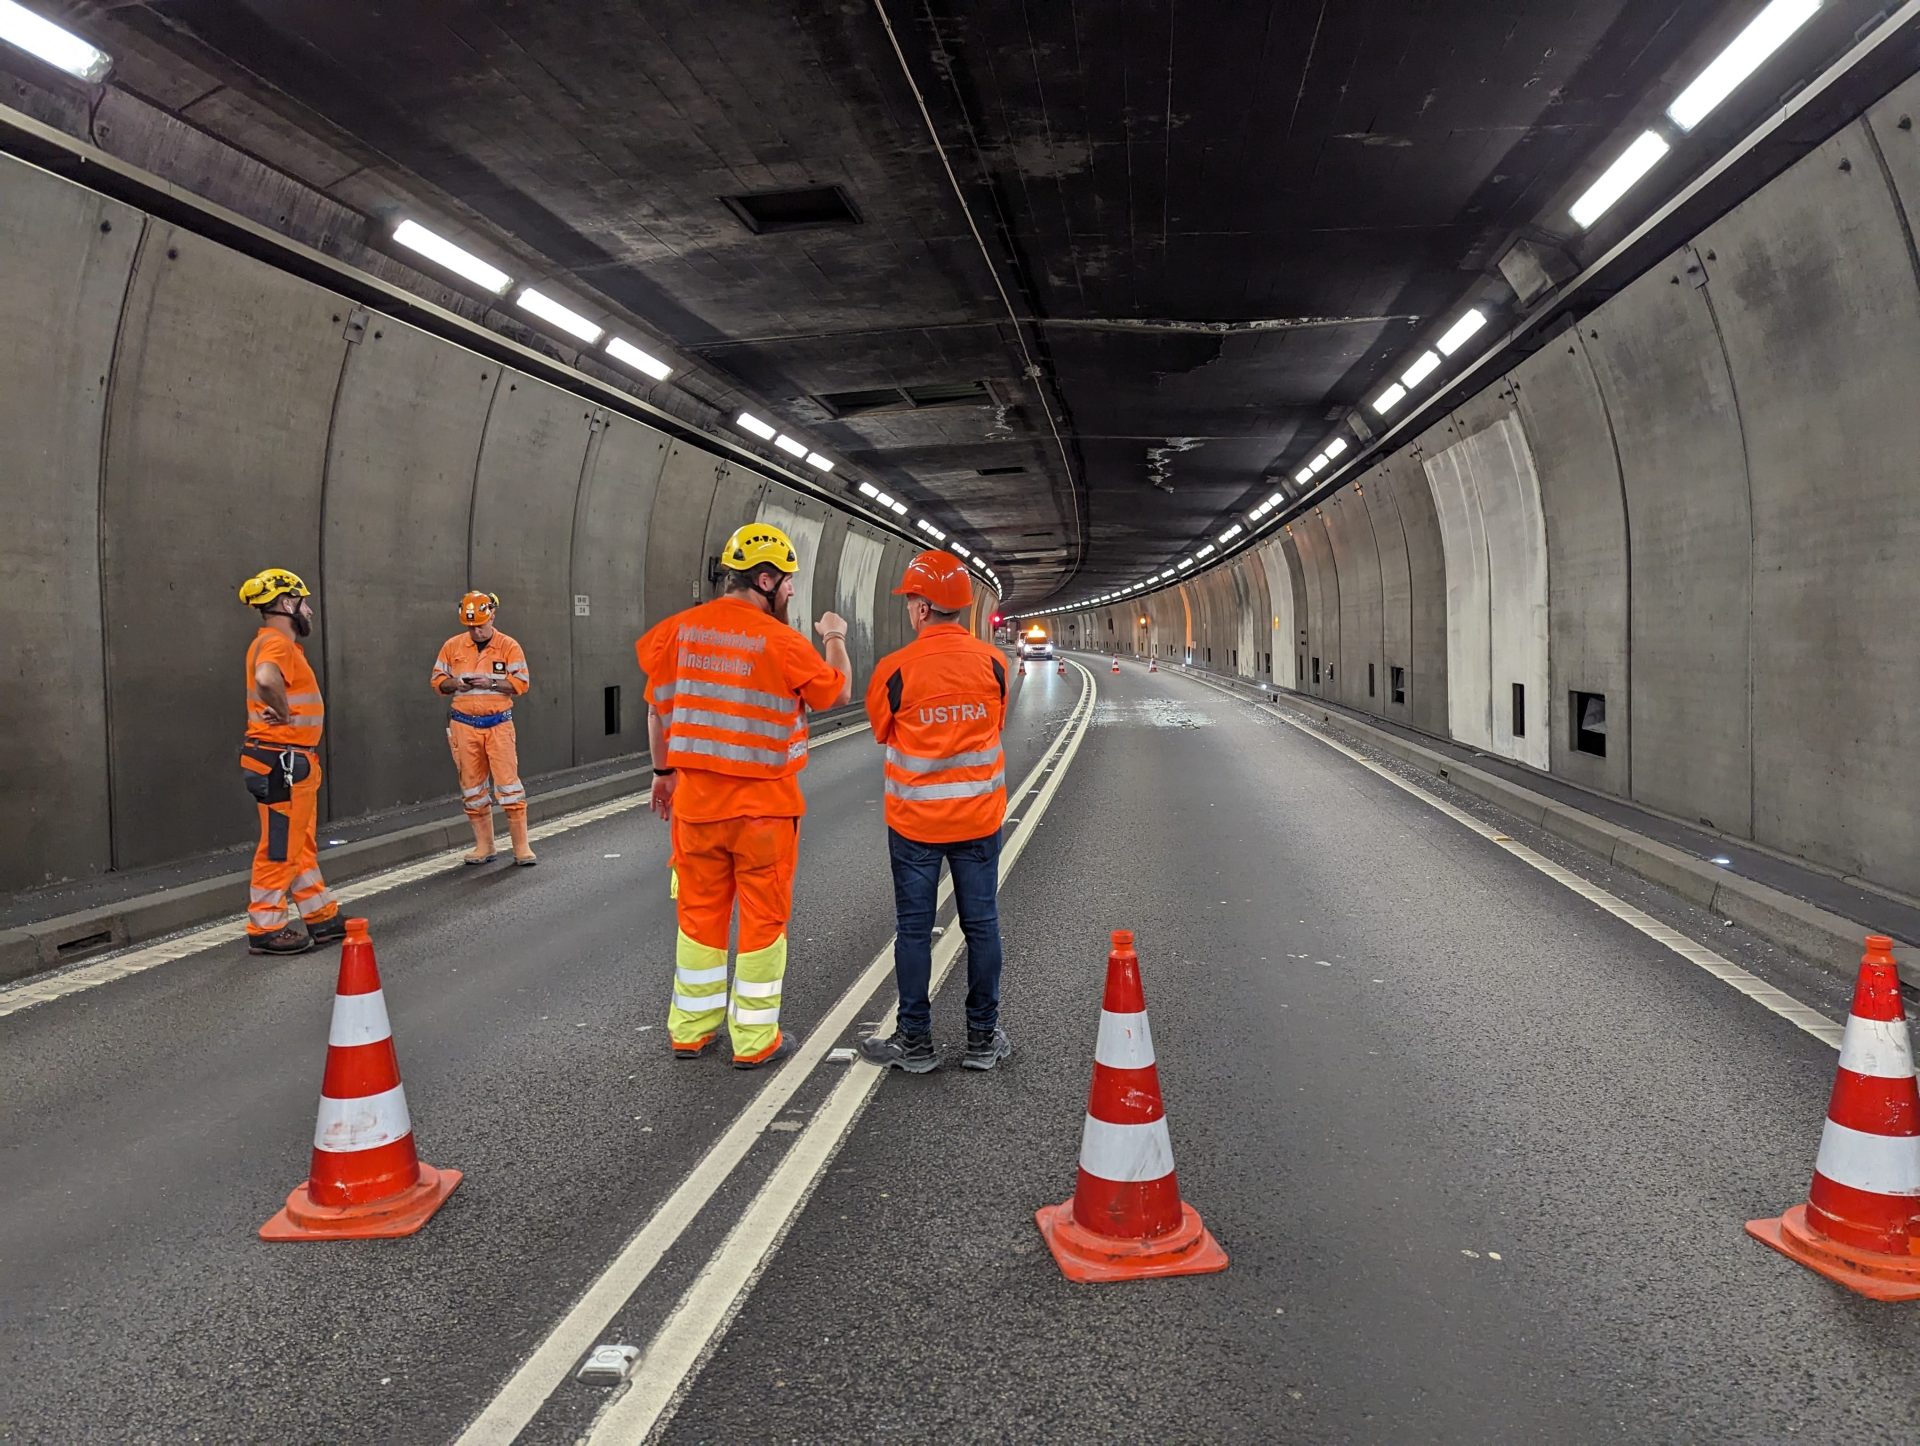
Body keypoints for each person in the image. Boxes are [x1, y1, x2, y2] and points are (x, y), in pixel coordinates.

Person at [634, 522, 852, 1068]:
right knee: (762, 921)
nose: (792, 592)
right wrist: (835, 636)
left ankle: (691, 1029)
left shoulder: (676, 633)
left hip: (697, 809)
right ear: (764, 578)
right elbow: (838, 690)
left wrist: (663, 774)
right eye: (788, 583)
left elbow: (658, 712)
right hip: (763, 813)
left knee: (698, 916)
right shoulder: (781, 641)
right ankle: (754, 1041)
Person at [859, 550, 1011, 1072]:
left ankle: (916, 1042)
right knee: (982, 926)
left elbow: (883, 730)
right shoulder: (994, 663)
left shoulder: (893, 670)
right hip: (978, 820)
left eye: (910, 602)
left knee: (915, 931)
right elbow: (995, 726)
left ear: (923, 608)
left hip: (915, 825)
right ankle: (983, 1039)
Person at [236, 567, 344, 956]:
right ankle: (265, 927)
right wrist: (282, 713)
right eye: (304, 602)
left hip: (286, 760)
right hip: (283, 760)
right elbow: (267, 679)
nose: (310, 611)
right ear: (287, 603)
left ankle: (322, 918)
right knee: (281, 846)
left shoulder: (275, 643)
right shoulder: (277, 644)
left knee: (299, 844)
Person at [432, 591, 536, 866]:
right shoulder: (452, 647)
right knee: (472, 789)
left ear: (492, 616)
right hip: (464, 726)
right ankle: (485, 846)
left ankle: (521, 847)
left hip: (498, 724)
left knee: (509, 787)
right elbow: (438, 681)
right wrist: (456, 684)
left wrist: (489, 683)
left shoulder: (508, 646)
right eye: (471, 627)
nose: (476, 631)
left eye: (480, 625)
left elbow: (521, 683)